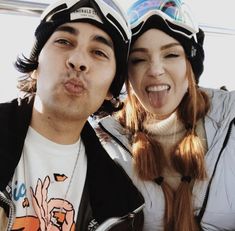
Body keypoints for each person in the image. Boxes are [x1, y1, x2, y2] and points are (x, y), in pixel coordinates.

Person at [0, 0, 145, 230]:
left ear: (111, 89)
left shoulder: (124, 206)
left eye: (98, 52)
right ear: (36, 65)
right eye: (64, 41)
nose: (77, 61)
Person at [94, 0, 235, 230]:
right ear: (125, 72)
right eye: (139, 59)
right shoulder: (105, 142)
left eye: (171, 55)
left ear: (190, 63)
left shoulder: (230, 118)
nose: (156, 70)